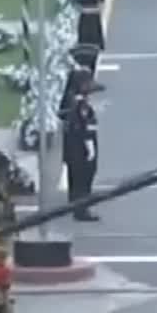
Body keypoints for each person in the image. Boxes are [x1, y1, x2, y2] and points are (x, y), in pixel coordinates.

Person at [62, 93, 101, 222]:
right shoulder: (83, 108)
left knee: (74, 178)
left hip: (71, 150)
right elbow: (87, 130)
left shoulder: (70, 104)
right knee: (84, 180)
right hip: (81, 152)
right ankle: (82, 210)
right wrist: (91, 150)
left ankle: (73, 203)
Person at [75, 0, 107, 76]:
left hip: (92, 17)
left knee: (93, 48)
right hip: (86, 17)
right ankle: (85, 74)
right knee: (85, 48)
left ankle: (90, 73)